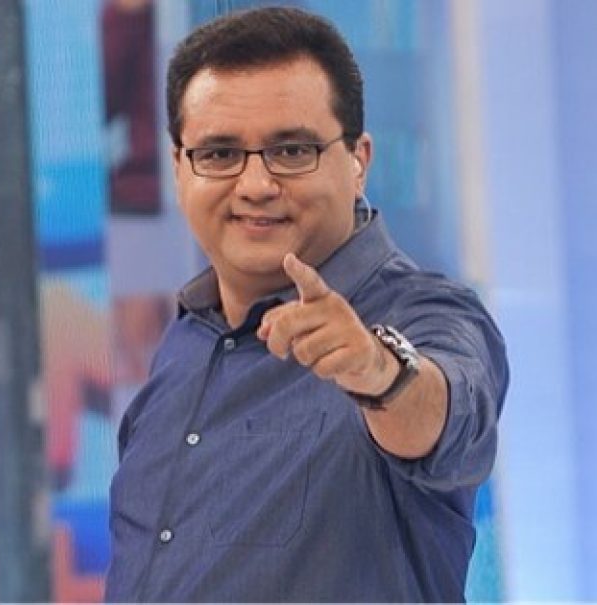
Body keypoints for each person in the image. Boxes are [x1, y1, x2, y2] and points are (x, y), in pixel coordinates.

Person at [105, 6, 509, 602]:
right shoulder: (181, 346)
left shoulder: (427, 314)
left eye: (292, 150)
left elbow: (450, 415)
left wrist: (379, 374)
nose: (255, 185)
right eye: (218, 153)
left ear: (358, 161)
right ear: (178, 168)